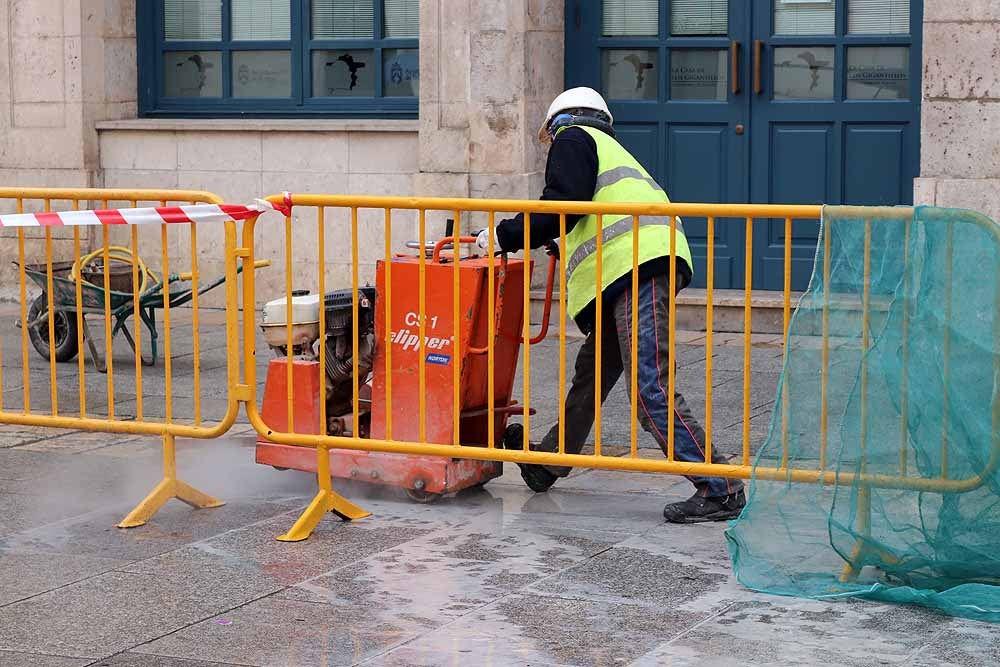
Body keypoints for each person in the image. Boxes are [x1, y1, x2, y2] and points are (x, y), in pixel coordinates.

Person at [476, 87, 745, 523]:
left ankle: (721, 487)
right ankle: (547, 462)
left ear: (556, 121)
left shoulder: (573, 137)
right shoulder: (606, 147)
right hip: (632, 270)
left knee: (649, 387)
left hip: (636, 268)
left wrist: (504, 235)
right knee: (591, 375)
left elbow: (561, 204)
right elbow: (581, 212)